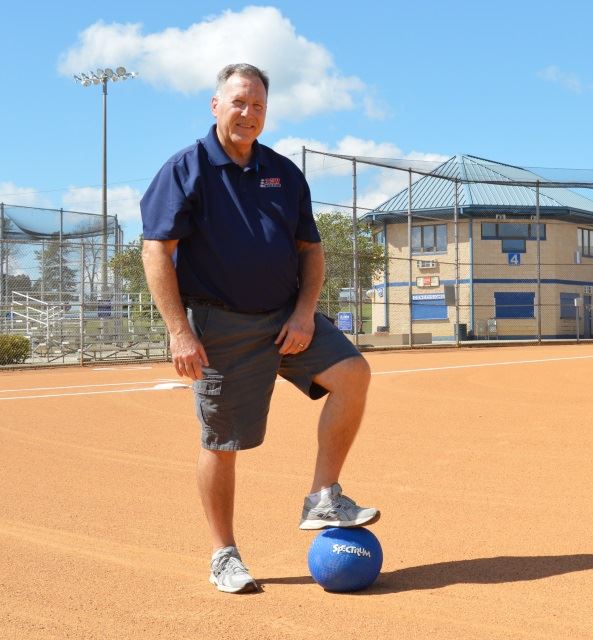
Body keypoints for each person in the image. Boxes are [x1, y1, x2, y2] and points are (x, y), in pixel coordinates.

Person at [140, 63, 379, 594]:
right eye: (239, 102)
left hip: (286, 318)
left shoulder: (283, 173)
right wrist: (180, 332)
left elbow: (310, 250)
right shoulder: (185, 170)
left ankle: (323, 497)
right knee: (221, 441)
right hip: (220, 325)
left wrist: (304, 312)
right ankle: (223, 554)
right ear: (215, 105)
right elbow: (157, 250)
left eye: (258, 106)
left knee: (353, 373)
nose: (248, 113)